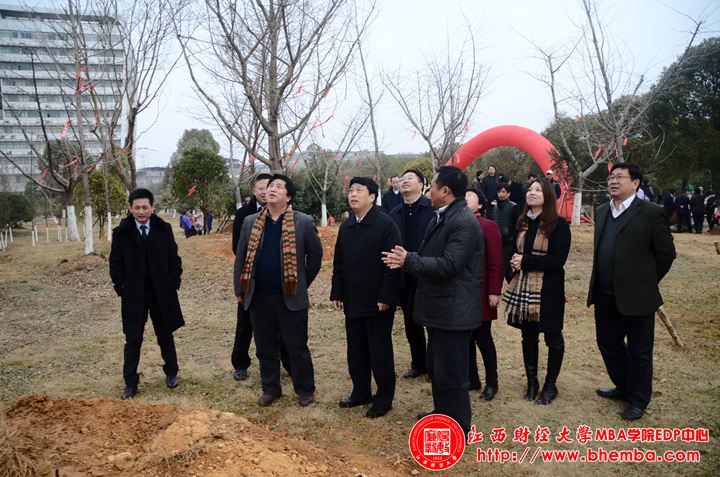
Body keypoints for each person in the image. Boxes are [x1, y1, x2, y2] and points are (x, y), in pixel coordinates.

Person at [383, 166, 484, 436]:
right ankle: (442, 414)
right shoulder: (443, 216)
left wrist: (409, 260)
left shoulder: (463, 221)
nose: (430, 192)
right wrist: (409, 258)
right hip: (440, 308)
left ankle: (458, 427)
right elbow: (433, 256)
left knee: (452, 374)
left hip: (454, 310)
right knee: (439, 370)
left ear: (445, 190)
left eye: (433, 186)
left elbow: (450, 265)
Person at [588, 164, 676, 421]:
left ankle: (638, 399)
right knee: (609, 344)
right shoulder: (602, 211)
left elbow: (666, 254)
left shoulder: (651, 212)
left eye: (620, 177)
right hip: (604, 294)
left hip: (638, 297)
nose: (613, 181)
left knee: (640, 352)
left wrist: (645, 282)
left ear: (635, 183)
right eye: (611, 177)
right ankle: (624, 386)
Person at [234, 174, 322, 407]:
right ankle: (271, 389)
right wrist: (239, 288)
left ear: (288, 196)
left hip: (290, 297)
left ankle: (305, 389)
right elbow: (241, 257)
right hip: (259, 296)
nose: (271, 189)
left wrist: (300, 283)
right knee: (265, 347)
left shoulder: (303, 222)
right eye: (270, 186)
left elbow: (315, 258)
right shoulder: (251, 222)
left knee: (296, 346)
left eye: (278, 187)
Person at [332, 177, 402, 418]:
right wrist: (337, 291)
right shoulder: (347, 226)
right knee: (356, 350)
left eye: (359, 190)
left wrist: (386, 296)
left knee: (379, 352)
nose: (353, 194)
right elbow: (339, 262)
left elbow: (393, 265)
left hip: (377, 302)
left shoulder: (386, 224)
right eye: (351, 190)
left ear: (372, 197)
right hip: (353, 299)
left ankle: (383, 399)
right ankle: (360, 392)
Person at [109, 188, 184, 400]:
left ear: (152, 207)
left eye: (145, 207)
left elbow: (174, 258)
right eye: (137, 208)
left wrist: (173, 282)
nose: (141, 212)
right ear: (130, 208)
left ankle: (171, 373)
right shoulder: (121, 233)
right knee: (133, 339)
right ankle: (130, 383)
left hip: (162, 293)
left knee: (165, 334)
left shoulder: (164, 229)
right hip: (134, 295)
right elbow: (115, 263)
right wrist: (121, 288)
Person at [503, 180, 571, 405]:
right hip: (525, 288)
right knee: (528, 335)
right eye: (530, 190)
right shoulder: (522, 222)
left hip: (548, 288)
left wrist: (526, 261)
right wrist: (512, 268)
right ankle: (532, 382)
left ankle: (550, 385)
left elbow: (558, 260)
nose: (531, 193)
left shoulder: (558, 225)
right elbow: (513, 251)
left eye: (538, 190)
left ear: (548, 195)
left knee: (553, 337)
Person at [230, 173, 292, 381]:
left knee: (282, 327)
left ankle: (289, 363)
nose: (266, 191)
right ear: (254, 191)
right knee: (244, 325)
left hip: (278, 284)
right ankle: (240, 363)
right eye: (262, 188)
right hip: (251, 279)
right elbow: (238, 248)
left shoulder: (288, 214)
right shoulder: (244, 215)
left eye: (270, 187)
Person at [387, 168, 434, 379]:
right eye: (402, 178)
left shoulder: (432, 209)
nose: (404, 181)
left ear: (421, 184)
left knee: (431, 323)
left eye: (410, 178)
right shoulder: (394, 213)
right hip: (403, 275)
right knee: (410, 321)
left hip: (427, 272)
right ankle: (419, 363)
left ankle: (434, 366)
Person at [465, 188, 503, 401]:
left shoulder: (488, 226)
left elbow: (496, 261)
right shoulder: (458, 223)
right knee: (466, 338)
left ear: (480, 204)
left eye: (470, 196)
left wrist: (494, 291)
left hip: (481, 291)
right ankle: (472, 378)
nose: (465, 198)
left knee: (483, 338)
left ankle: (492, 382)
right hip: (463, 292)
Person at [492, 182, 520, 282]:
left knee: (501, 267)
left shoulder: (513, 207)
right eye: (499, 192)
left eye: (503, 192)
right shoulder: (494, 206)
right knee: (506, 267)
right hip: (496, 241)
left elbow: (516, 226)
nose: (501, 194)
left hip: (508, 242)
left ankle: (497, 288)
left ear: (508, 193)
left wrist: (512, 240)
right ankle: (513, 285)